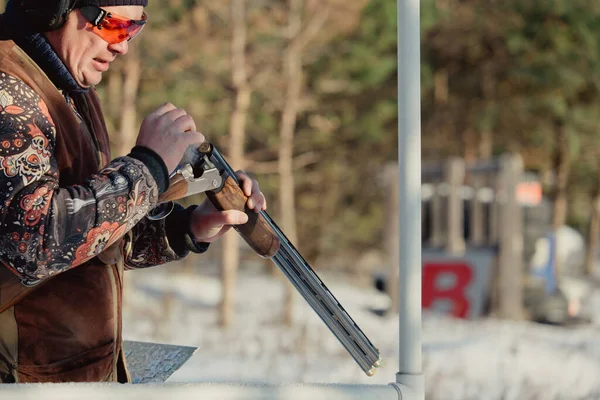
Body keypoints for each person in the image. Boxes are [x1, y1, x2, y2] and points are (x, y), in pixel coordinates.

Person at [0, 0, 267, 383]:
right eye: (115, 27)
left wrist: (188, 228)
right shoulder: (7, 91)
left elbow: (92, 244)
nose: (123, 46)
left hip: (64, 376)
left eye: (134, 30)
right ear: (53, 9)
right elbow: (34, 241)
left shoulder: (68, 89)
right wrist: (149, 166)